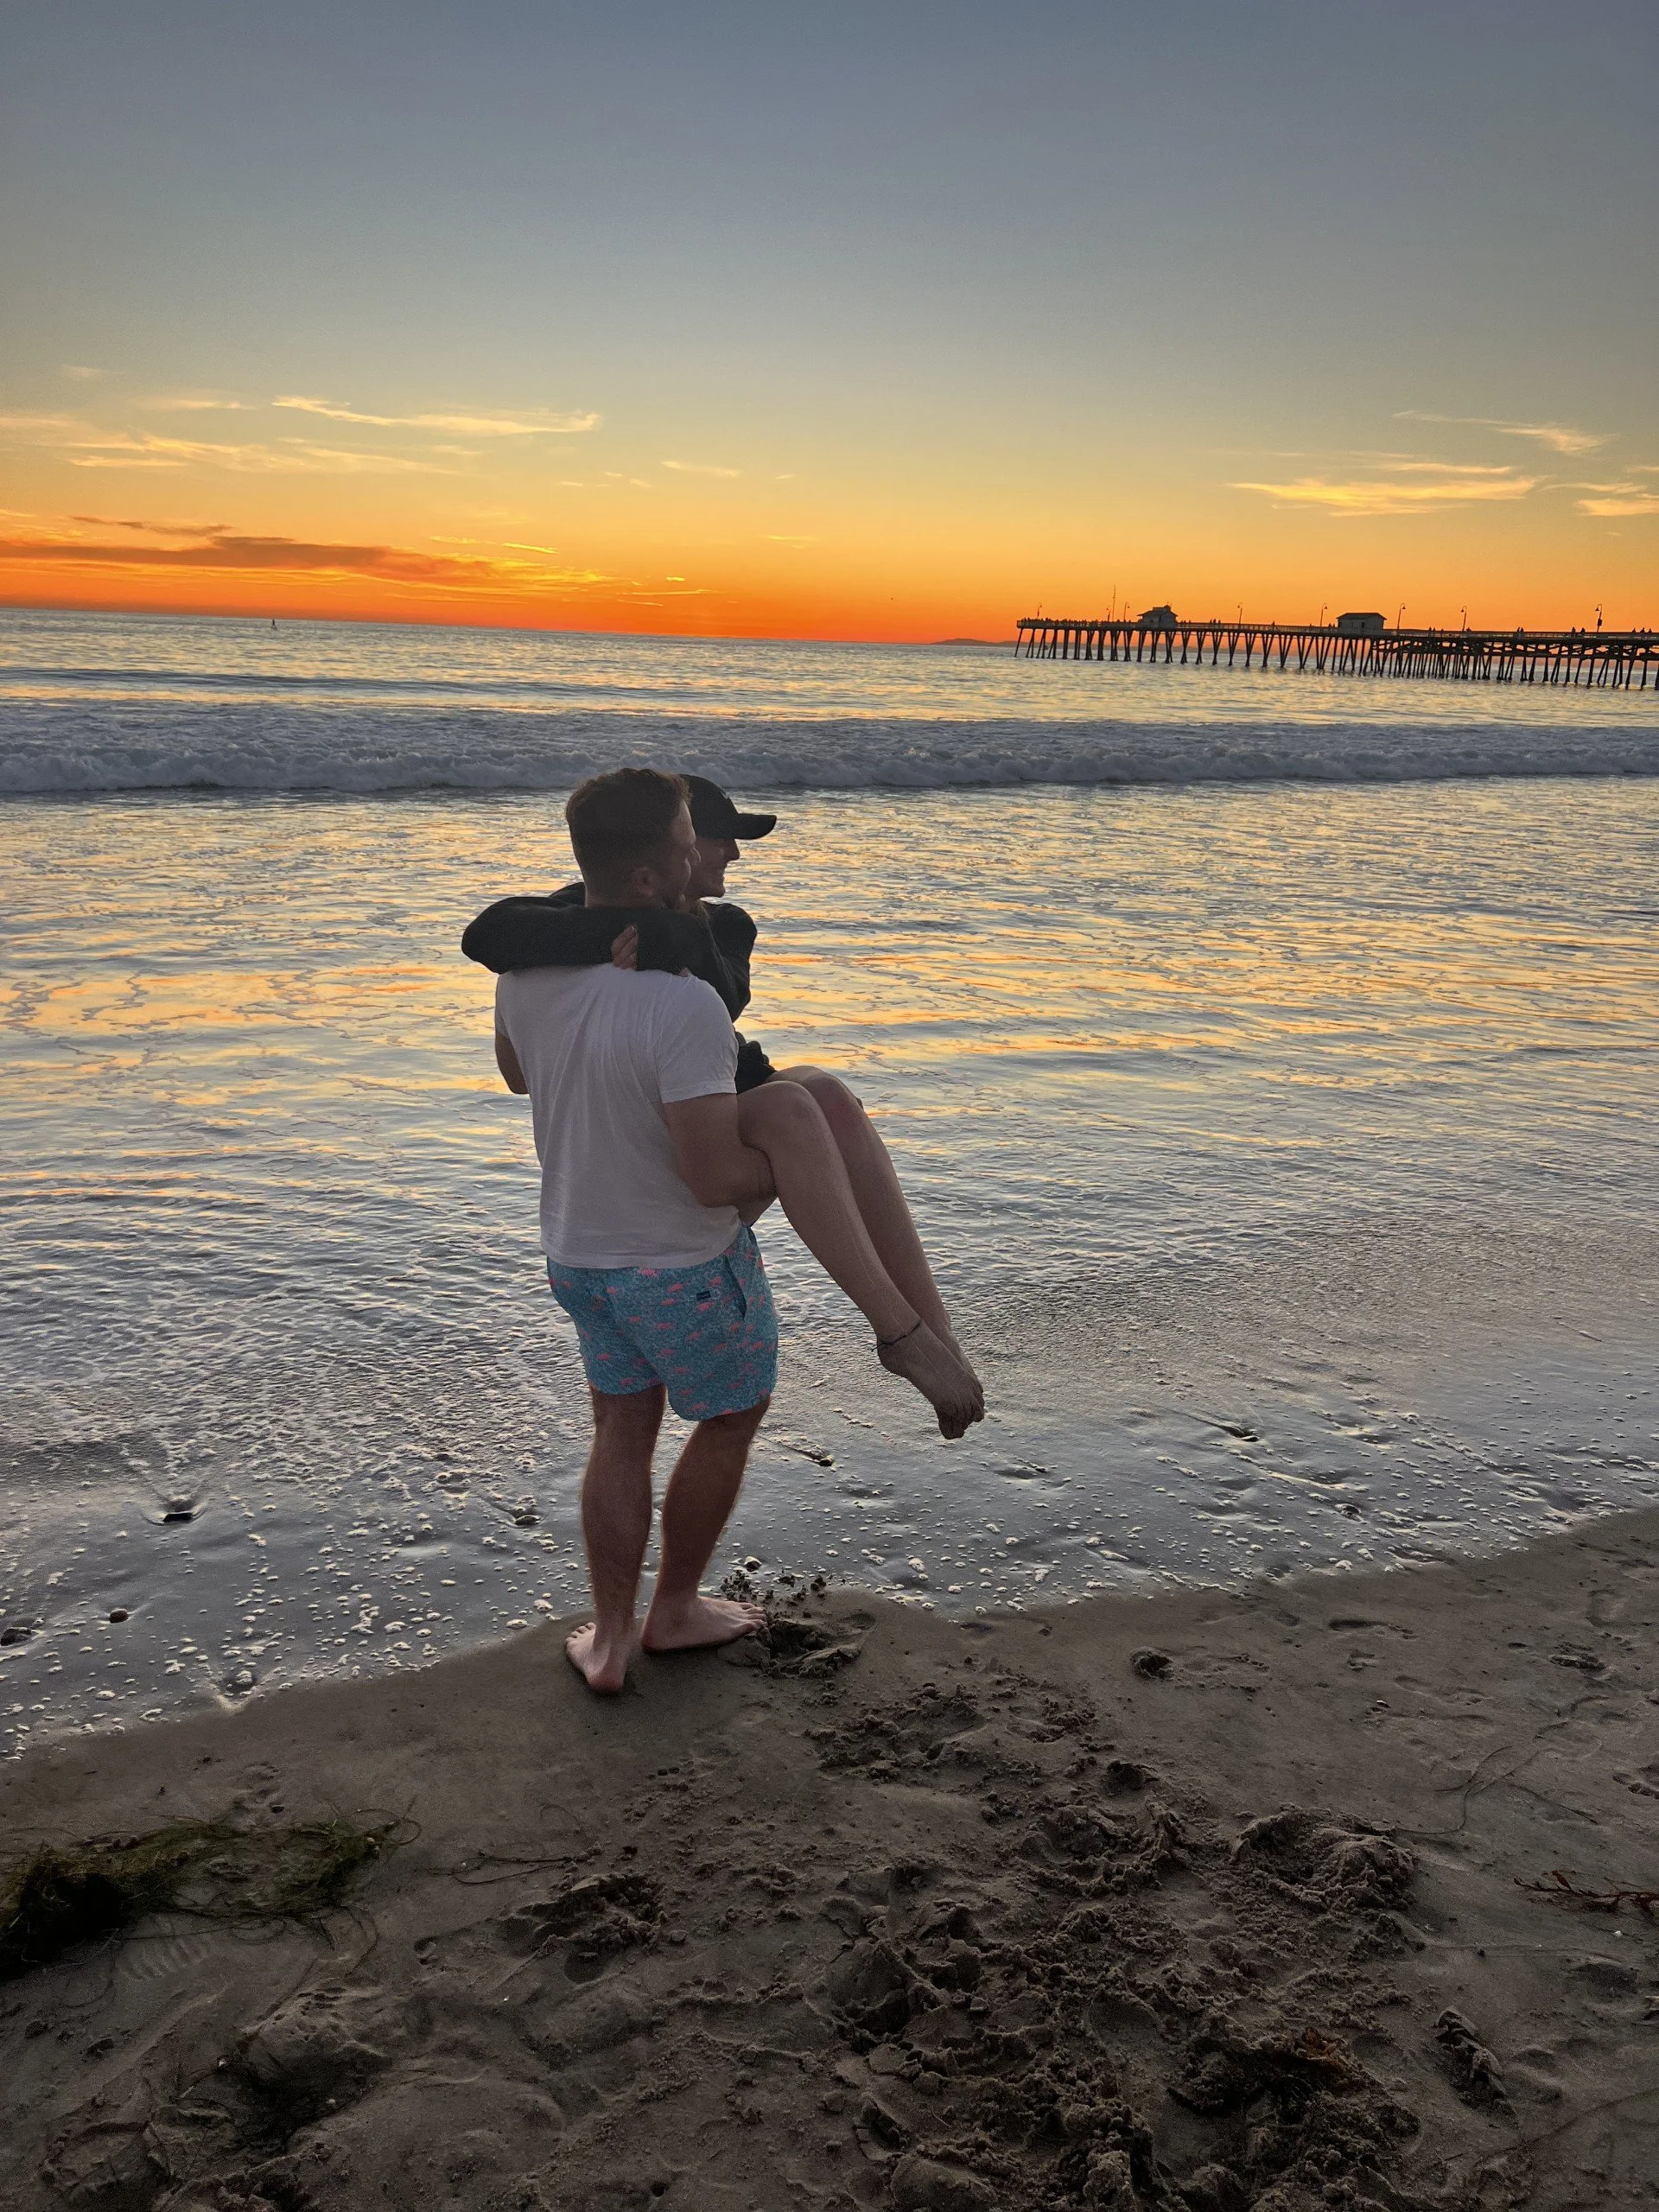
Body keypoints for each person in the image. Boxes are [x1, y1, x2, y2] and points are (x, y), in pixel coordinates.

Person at [488, 770, 976, 1694]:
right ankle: (673, 1610)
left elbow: (518, 1075)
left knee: (621, 1429)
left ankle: (608, 1643)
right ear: (649, 874)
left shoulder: (522, 973)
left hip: (579, 1259)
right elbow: (712, 1178)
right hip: (679, 1266)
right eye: (689, 840)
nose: (710, 854)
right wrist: (801, 1170)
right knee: (730, 1412)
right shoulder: (683, 1002)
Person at [467, 775, 983, 1433]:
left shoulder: (722, 928)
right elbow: (493, 931)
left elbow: (714, 974)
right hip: (693, 1140)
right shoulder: (568, 930)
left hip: (701, 1118)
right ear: (666, 858)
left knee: (828, 1095)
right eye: (716, 841)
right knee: (804, 1111)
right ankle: (901, 1332)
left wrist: (641, 936)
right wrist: (615, 935)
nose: (732, 857)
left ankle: (931, 1336)